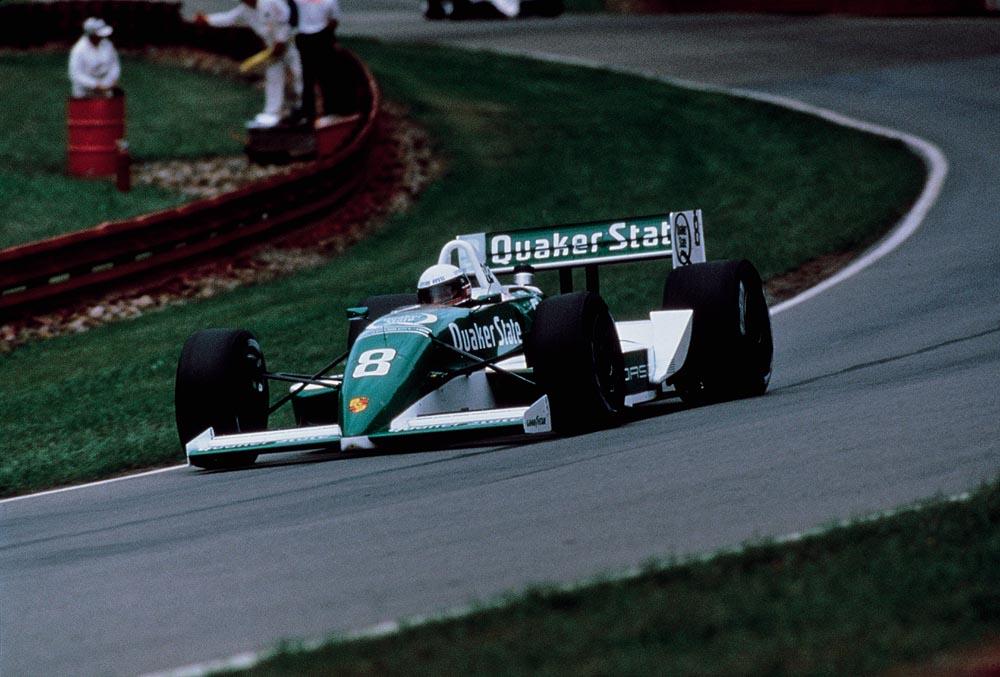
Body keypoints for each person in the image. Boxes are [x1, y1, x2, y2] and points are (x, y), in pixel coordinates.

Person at [196, 0, 303, 128]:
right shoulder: (243, 10)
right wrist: (207, 20)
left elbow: (287, 17)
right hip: (271, 48)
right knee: (273, 78)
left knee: (299, 74)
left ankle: (303, 109)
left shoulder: (272, 2)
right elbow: (228, 18)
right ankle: (272, 113)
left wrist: (281, 40)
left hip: (290, 44)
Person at [293, 0, 341, 122]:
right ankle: (312, 111)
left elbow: (333, 21)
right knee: (312, 77)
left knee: (321, 76)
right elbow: (334, 21)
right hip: (313, 36)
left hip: (313, 36)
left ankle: (324, 111)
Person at [68, 18, 121, 98]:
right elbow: (76, 74)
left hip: (106, 88)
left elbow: (114, 65)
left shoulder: (108, 45)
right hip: (84, 93)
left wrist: (111, 80)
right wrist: (95, 85)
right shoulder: (78, 50)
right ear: (91, 34)